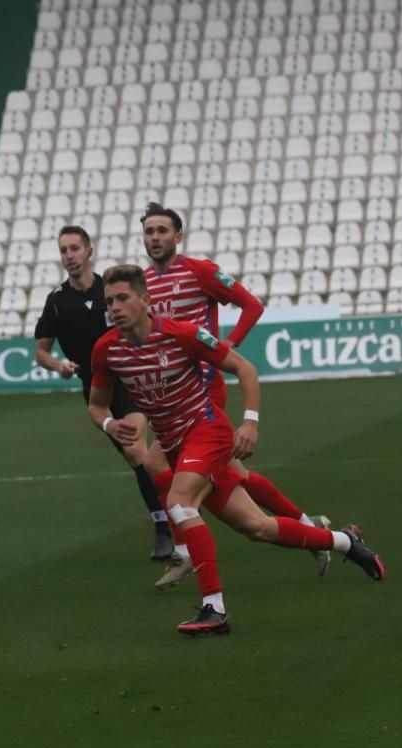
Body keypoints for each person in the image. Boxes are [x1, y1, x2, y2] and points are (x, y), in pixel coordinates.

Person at [88, 265, 385, 636]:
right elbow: (96, 404)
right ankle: (345, 542)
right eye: (109, 301)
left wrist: (249, 422)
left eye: (122, 298)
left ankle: (214, 609)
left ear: (145, 301)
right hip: (176, 443)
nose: (114, 307)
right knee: (256, 527)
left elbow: (244, 368)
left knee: (180, 503)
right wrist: (108, 424)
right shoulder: (106, 349)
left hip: (207, 432)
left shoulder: (181, 334)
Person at [138, 203, 330, 586]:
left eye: (162, 230)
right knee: (233, 476)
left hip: (204, 389)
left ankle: (184, 552)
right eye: (149, 231)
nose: (155, 237)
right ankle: (312, 528)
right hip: (175, 392)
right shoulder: (143, 284)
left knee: (157, 465)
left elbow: (251, 305)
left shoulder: (200, 271)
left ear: (178, 237)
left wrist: (225, 348)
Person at [34, 226, 173, 561]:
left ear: (88, 251)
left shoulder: (109, 290)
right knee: (136, 457)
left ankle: (166, 528)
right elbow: (41, 351)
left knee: (137, 450)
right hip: (96, 388)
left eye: (74, 249)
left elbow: (145, 321)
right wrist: (59, 366)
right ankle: (169, 515)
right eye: (64, 250)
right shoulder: (56, 302)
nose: (69, 255)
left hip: (130, 380)